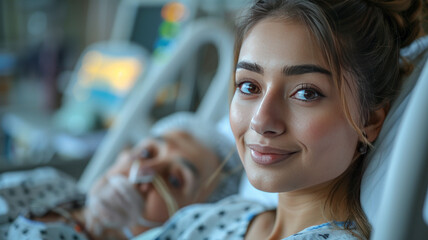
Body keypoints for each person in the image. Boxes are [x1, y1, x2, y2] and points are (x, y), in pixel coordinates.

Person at [145, 0, 426, 239]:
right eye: (249, 87)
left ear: (370, 121)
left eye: (306, 93)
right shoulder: (210, 220)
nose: (261, 120)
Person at [0, 112, 242, 240]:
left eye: (175, 180)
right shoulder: (50, 184)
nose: (146, 171)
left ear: (188, 218)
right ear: (123, 154)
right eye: (147, 152)